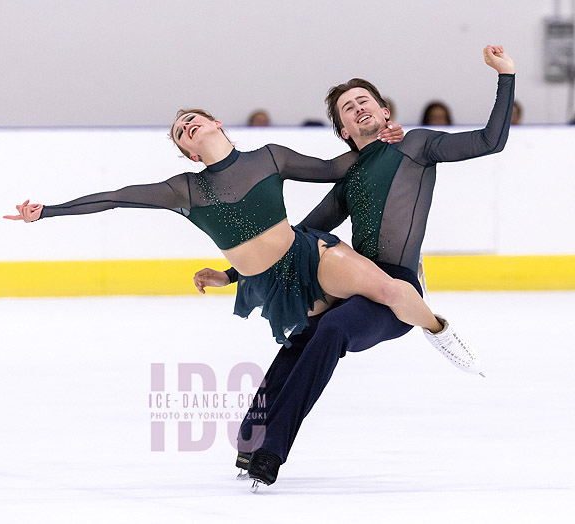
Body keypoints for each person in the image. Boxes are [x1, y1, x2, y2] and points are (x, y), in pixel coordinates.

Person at [195, 45, 515, 489]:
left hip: (395, 293)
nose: (358, 107)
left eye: (365, 100)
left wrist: (505, 75)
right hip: (353, 286)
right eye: (348, 107)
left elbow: (489, 141)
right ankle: (252, 438)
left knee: (331, 329)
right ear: (344, 130)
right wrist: (231, 274)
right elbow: (294, 237)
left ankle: (272, 450)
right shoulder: (351, 176)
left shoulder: (417, 145)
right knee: (303, 333)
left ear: (385, 112)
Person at [4, 108, 449, 353]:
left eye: (191, 118)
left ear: (216, 122)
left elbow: (335, 168)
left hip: (309, 254)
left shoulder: (269, 157)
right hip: (272, 284)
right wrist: (48, 212)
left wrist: (379, 138)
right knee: (321, 338)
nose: (186, 125)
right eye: (180, 131)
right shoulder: (185, 189)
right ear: (190, 153)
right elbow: (117, 197)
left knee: (385, 292)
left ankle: (439, 328)